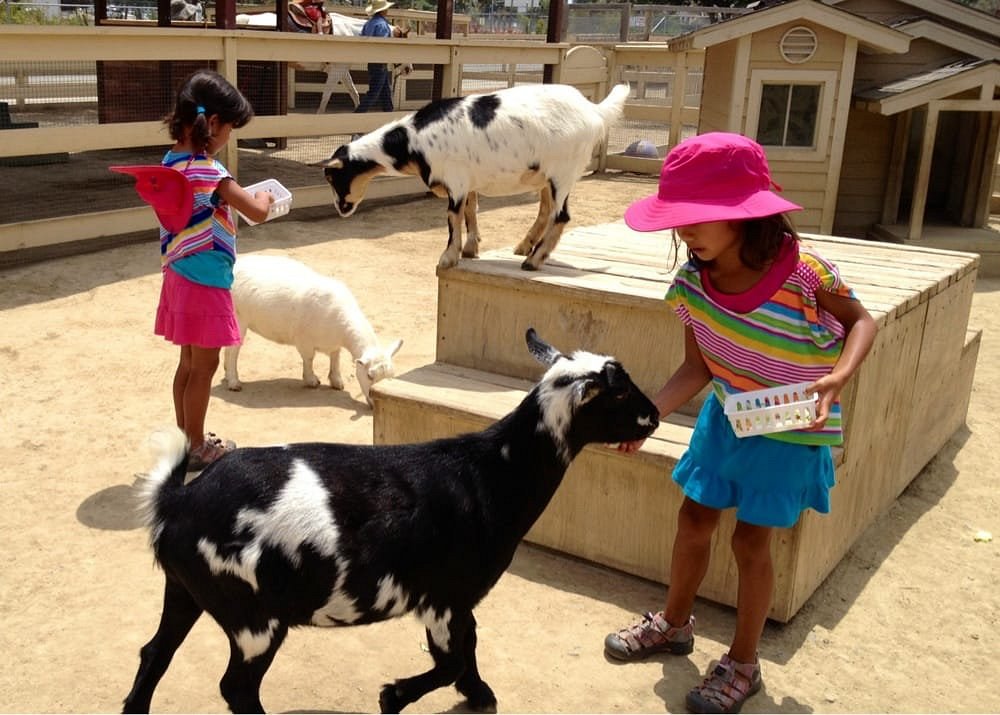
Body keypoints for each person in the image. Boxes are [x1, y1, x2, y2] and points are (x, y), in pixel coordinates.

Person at [603, 132, 878, 714]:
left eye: (698, 217)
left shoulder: (806, 274)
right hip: (729, 418)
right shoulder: (691, 286)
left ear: (745, 216)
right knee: (692, 519)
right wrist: (648, 416)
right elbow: (697, 365)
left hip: (791, 429)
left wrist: (838, 377)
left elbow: (862, 323)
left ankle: (745, 664)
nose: (684, 231)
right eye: (678, 219)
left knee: (752, 542)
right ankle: (675, 624)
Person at [156, 69, 274, 471]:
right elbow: (256, 210)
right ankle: (196, 447)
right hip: (206, 282)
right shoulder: (211, 171)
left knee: (188, 365)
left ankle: (184, 437)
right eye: (230, 131)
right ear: (215, 124)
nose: (228, 139)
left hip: (178, 274)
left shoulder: (170, 162)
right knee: (205, 369)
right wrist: (263, 194)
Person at [354, 0, 397, 113]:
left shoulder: (369, 23)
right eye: (386, 8)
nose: (388, 10)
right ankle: (356, 116)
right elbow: (382, 45)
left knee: (385, 92)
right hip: (380, 62)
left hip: (372, 62)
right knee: (374, 94)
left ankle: (389, 115)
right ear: (382, 10)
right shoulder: (382, 25)